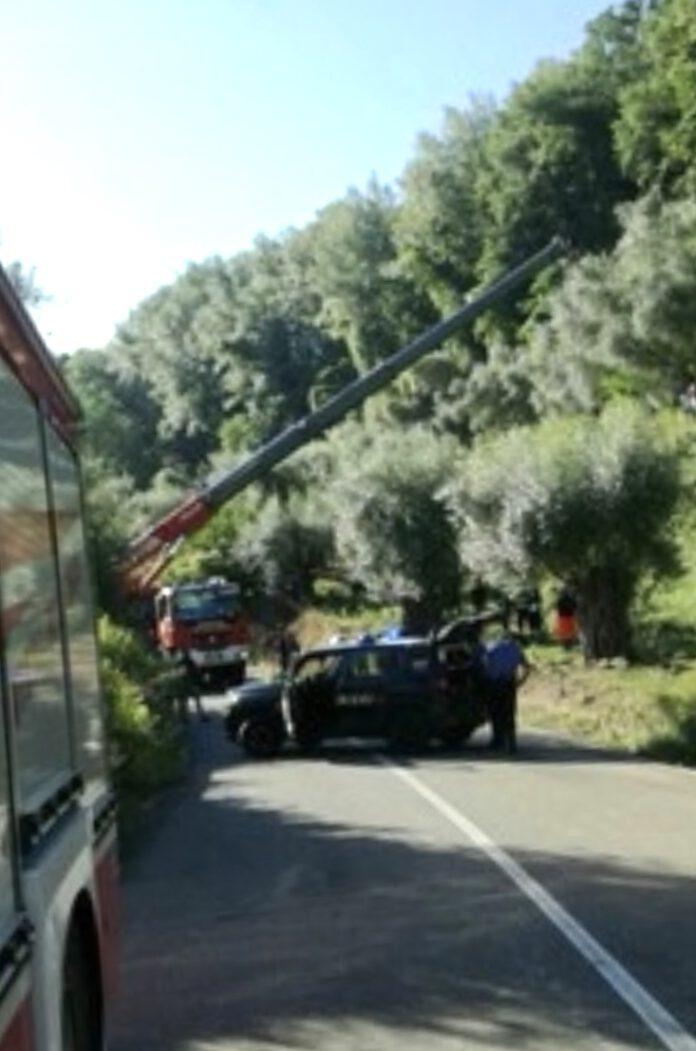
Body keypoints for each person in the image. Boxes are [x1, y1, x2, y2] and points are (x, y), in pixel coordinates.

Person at [484, 631, 530, 754]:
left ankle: (497, 740)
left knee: (495, 713)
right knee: (509, 713)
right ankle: (511, 743)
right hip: (509, 684)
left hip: (494, 684)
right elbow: (527, 667)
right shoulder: (516, 649)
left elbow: (485, 664)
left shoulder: (491, 647)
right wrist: (521, 681)